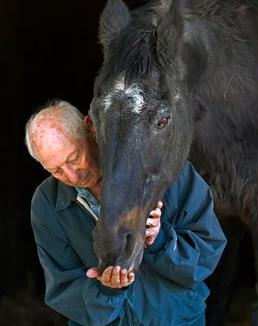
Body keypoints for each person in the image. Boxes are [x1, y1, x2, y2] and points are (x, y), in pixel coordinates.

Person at [25, 100, 227, 326]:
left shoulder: (165, 168)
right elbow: (63, 286)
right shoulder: (46, 204)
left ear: (90, 127)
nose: (72, 177)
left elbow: (207, 253)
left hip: (177, 319)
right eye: (56, 170)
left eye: (74, 158)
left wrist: (159, 240)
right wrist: (105, 291)